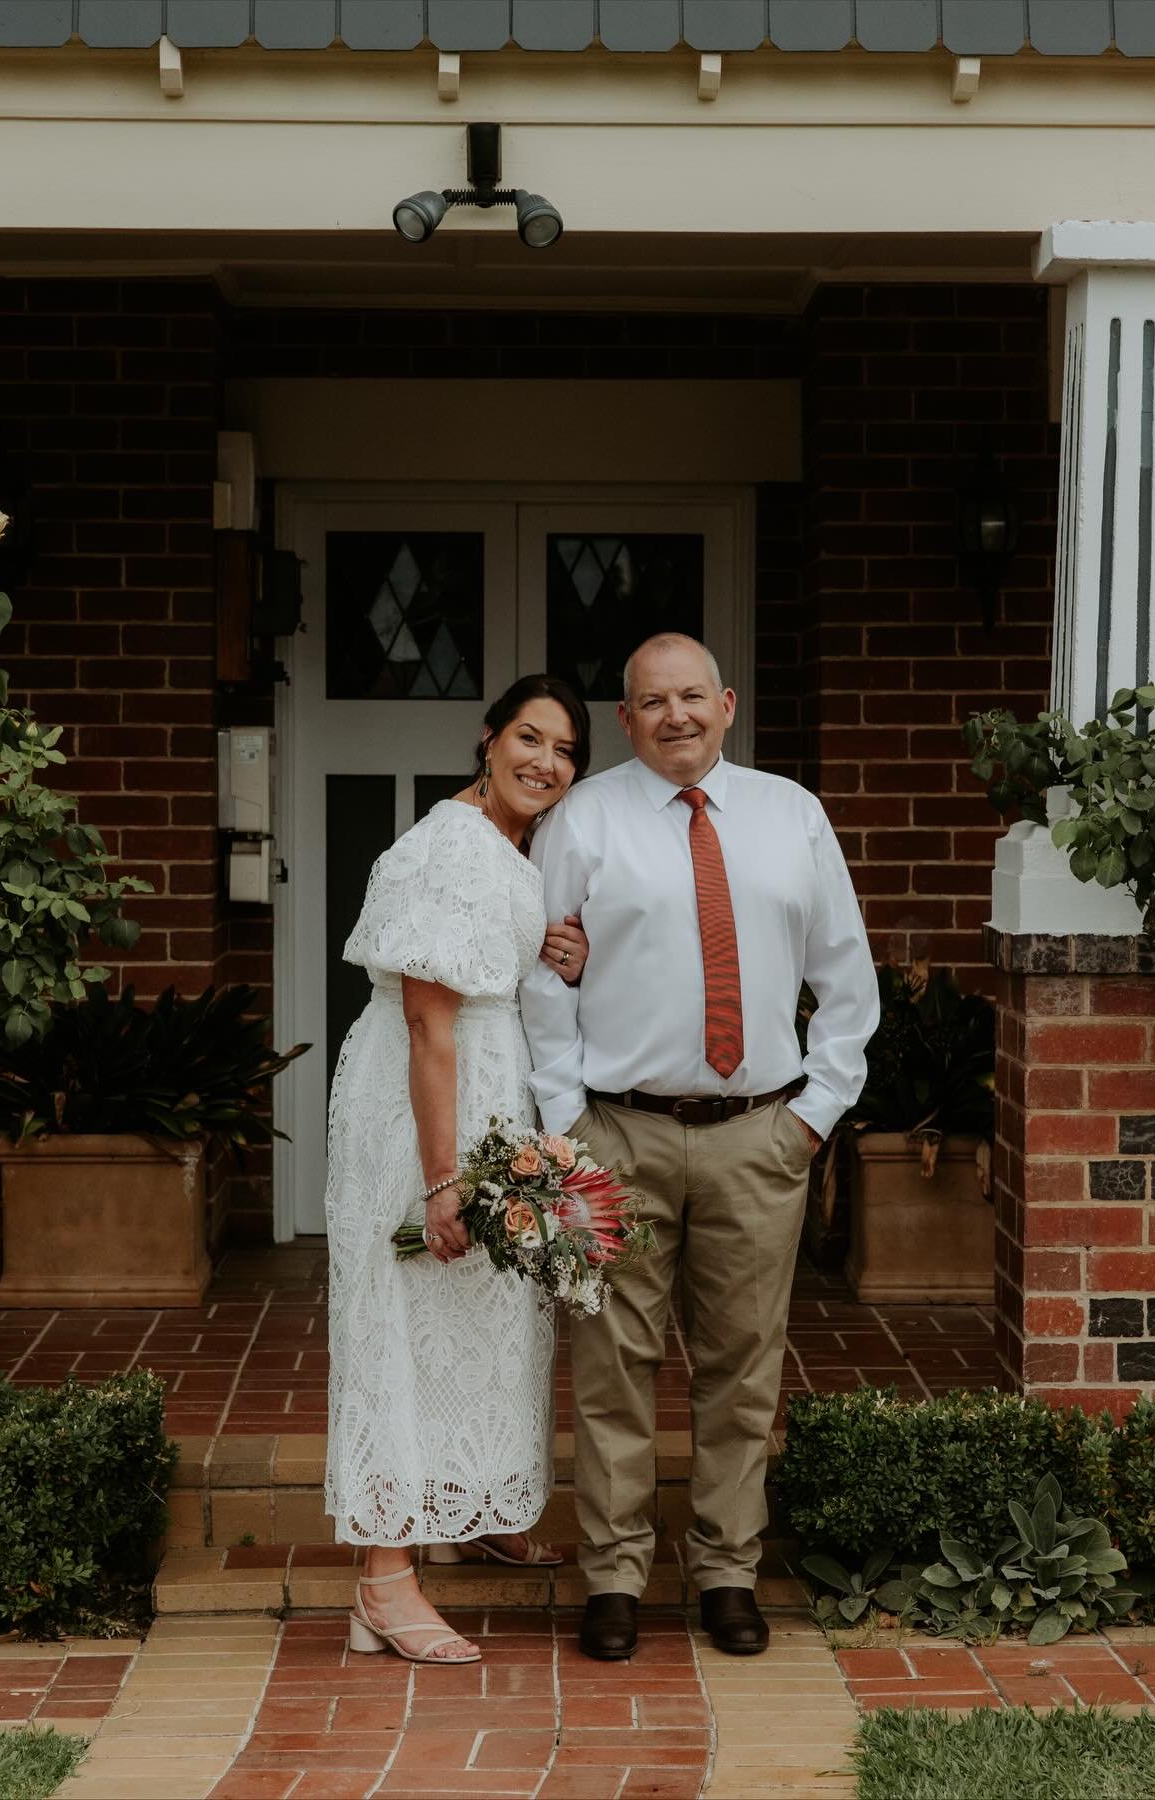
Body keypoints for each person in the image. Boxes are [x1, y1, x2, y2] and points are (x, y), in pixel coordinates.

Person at [520, 633, 878, 1661]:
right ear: (625, 721)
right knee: (612, 1367)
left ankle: (728, 1571)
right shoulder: (584, 819)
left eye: (690, 697)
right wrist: (568, 1127)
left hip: (759, 1135)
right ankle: (616, 1579)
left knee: (742, 1369)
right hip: (617, 1135)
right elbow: (544, 980)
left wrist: (816, 1114)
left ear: (725, 704)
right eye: (649, 702)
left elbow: (847, 981)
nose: (673, 716)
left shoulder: (790, 816)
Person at [324, 673, 592, 1666]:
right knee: (402, 1324)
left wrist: (550, 951)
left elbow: (488, 969)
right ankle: (384, 1585)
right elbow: (431, 1025)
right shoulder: (445, 848)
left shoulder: (505, 848)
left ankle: (477, 1505)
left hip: (483, 1094)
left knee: (479, 1319)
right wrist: (441, 1181)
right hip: (420, 1108)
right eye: (530, 738)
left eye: (565, 751)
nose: (546, 763)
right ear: (487, 739)